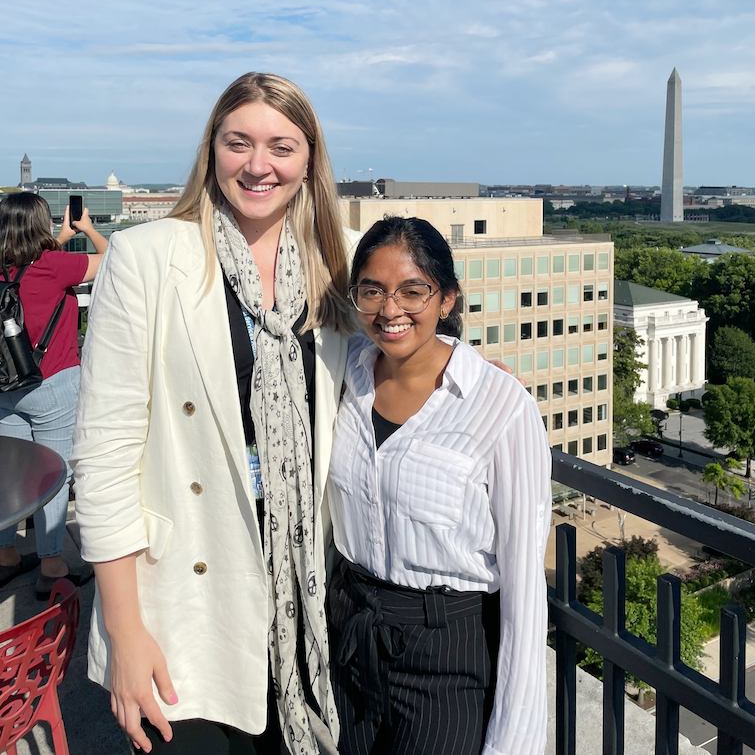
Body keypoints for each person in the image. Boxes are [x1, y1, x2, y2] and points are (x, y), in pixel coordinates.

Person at [71, 72, 357, 755]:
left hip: (307, 596)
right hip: (184, 603)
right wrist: (125, 629)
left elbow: (397, 356)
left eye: (281, 146)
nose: (259, 165)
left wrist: (464, 371)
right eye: (240, 143)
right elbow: (104, 456)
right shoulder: (147, 257)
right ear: (213, 150)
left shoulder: (333, 262)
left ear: (309, 160)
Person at [326, 217, 552, 755]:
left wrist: (515, 740)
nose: (390, 309)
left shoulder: (500, 406)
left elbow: (523, 580)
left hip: (445, 650)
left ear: (446, 299)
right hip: (352, 631)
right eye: (372, 290)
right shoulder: (343, 375)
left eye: (413, 291)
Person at [0, 192, 106, 599]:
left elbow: (22, 275)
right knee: (52, 476)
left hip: (6, 388)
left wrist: (58, 238)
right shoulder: (54, 266)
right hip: (51, 385)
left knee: (11, 473)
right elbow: (113, 259)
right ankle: (51, 565)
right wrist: (87, 230)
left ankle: (6, 556)